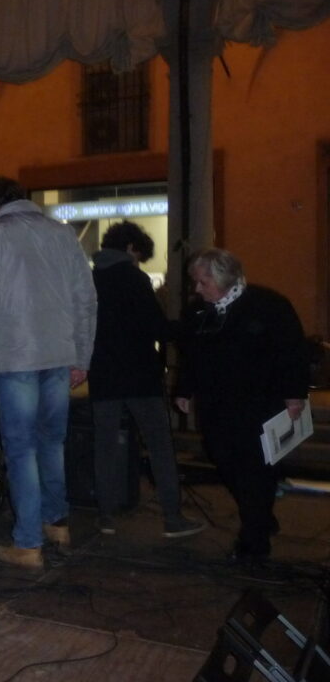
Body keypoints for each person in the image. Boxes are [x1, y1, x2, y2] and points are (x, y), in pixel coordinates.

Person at [0, 176, 96, 570]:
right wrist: (82, 356)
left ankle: (27, 543)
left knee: (21, 449)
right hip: (58, 353)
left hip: (15, 355)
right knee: (52, 442)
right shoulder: (63, 233)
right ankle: (56, 523)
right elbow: (86, 298)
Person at [174, 248, 308, 568]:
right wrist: (184, 388)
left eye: (203, 282)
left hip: (258, 405)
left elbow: (292, 352)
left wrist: (293, 396)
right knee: (223, 459)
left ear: (223, 279)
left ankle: (254, 541)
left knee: (255, 470)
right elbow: (190, 353)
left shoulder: (268, 305)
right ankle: (260, 515)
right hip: (216, 405)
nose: (197, 289)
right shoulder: (198, 312)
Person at [89, 221, 203, 537]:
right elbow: (156, 327)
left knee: (105, 445)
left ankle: (106, 516)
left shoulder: (92, 278)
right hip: (139, 373)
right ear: (131, 248)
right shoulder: (134, 278)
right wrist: (187, 327)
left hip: (103, 373)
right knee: (159, 444)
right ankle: (172, 517)